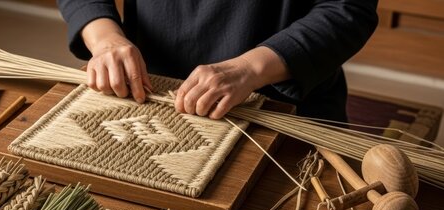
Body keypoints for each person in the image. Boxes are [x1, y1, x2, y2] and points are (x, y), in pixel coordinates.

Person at [56, 1, 378, 122]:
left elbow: (347, 10)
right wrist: (105, 38)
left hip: (279, 112)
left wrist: (250, 68)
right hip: (145, 99)